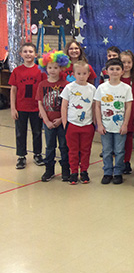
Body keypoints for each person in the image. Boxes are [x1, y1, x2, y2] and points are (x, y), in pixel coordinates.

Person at [94, 58, 133, 185]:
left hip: (120, 127)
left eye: (117, 69)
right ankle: (107, 172)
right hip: (105, 126)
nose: (115, 72)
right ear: (107, 71)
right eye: (112, 69)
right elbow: (98, 106)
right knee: (106, 150)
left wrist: (125, 124)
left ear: (122, 71)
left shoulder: (126, 88)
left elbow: (128, 107)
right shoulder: (101, 87)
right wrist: (99, 124)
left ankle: (117, 173)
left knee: (120, 151)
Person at [9, 42, 47, 169]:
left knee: (37, 132)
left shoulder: (40, 71)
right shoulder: (16, 71)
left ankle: (37, 154)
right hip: (21, 108)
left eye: (31, 51)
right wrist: (13, 108)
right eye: (25, 51)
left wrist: (43, 108)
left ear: (35, 54)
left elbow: (44, 91)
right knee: (20, 133)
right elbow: (13, 90)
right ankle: (21, 156)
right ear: (21, 54)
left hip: (36, 108)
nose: (28, 54)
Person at [37, 50, 70, 182]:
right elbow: (40, 104)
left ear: (61, 68)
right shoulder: (42, 85)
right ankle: (49, 170)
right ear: (45, 68)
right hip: (48, 122)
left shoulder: (66, 85)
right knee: (50, 147)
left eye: (56, 67)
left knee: (64, 146)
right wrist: (47, 121)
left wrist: (62, 119)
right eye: (50, 67)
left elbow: (69, 105)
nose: (52, 70)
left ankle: (66, 170)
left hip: (62, 122)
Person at [61, 61, 96, 184]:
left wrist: (94, 123)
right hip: (72, 124)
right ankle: (74, 172)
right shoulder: (69, 87)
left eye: (84, 73)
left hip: (87, 125)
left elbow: (94, 106)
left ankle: (84, 171)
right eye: (79, 73)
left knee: (86, 150)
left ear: (88, 74)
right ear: (74, 74)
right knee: (73, 150)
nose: (81, 76)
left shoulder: (92, 89)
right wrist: (65, 123)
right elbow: (64, 106)